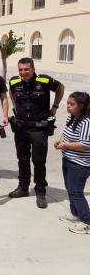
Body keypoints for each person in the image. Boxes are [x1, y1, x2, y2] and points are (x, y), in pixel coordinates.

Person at [8, 57, 65, 209]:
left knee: (39, 161)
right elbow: (11, 92)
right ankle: (23, 187)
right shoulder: (14, 82)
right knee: (22, 158)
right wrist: (15, 107)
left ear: (33, 68)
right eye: (20, 69)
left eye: (26, 69)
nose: (23, 72)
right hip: (21, 128)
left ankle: (40, 191)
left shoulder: (44, 80)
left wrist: (55, 107)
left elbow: (61, 88)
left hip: (39, 128)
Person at [54, 92, 90, 234]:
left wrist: (66, 145)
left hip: (80, 164)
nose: (68, 106)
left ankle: (87, 221)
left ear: (81, 106)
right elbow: (67, 132)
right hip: (68, 159)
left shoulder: (86, 122)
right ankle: (75, 214)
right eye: (68, 103)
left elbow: (86, 144)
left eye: (71, 104)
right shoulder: (73, 117)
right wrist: (60, 140)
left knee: (76, 192)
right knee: (69, 188)